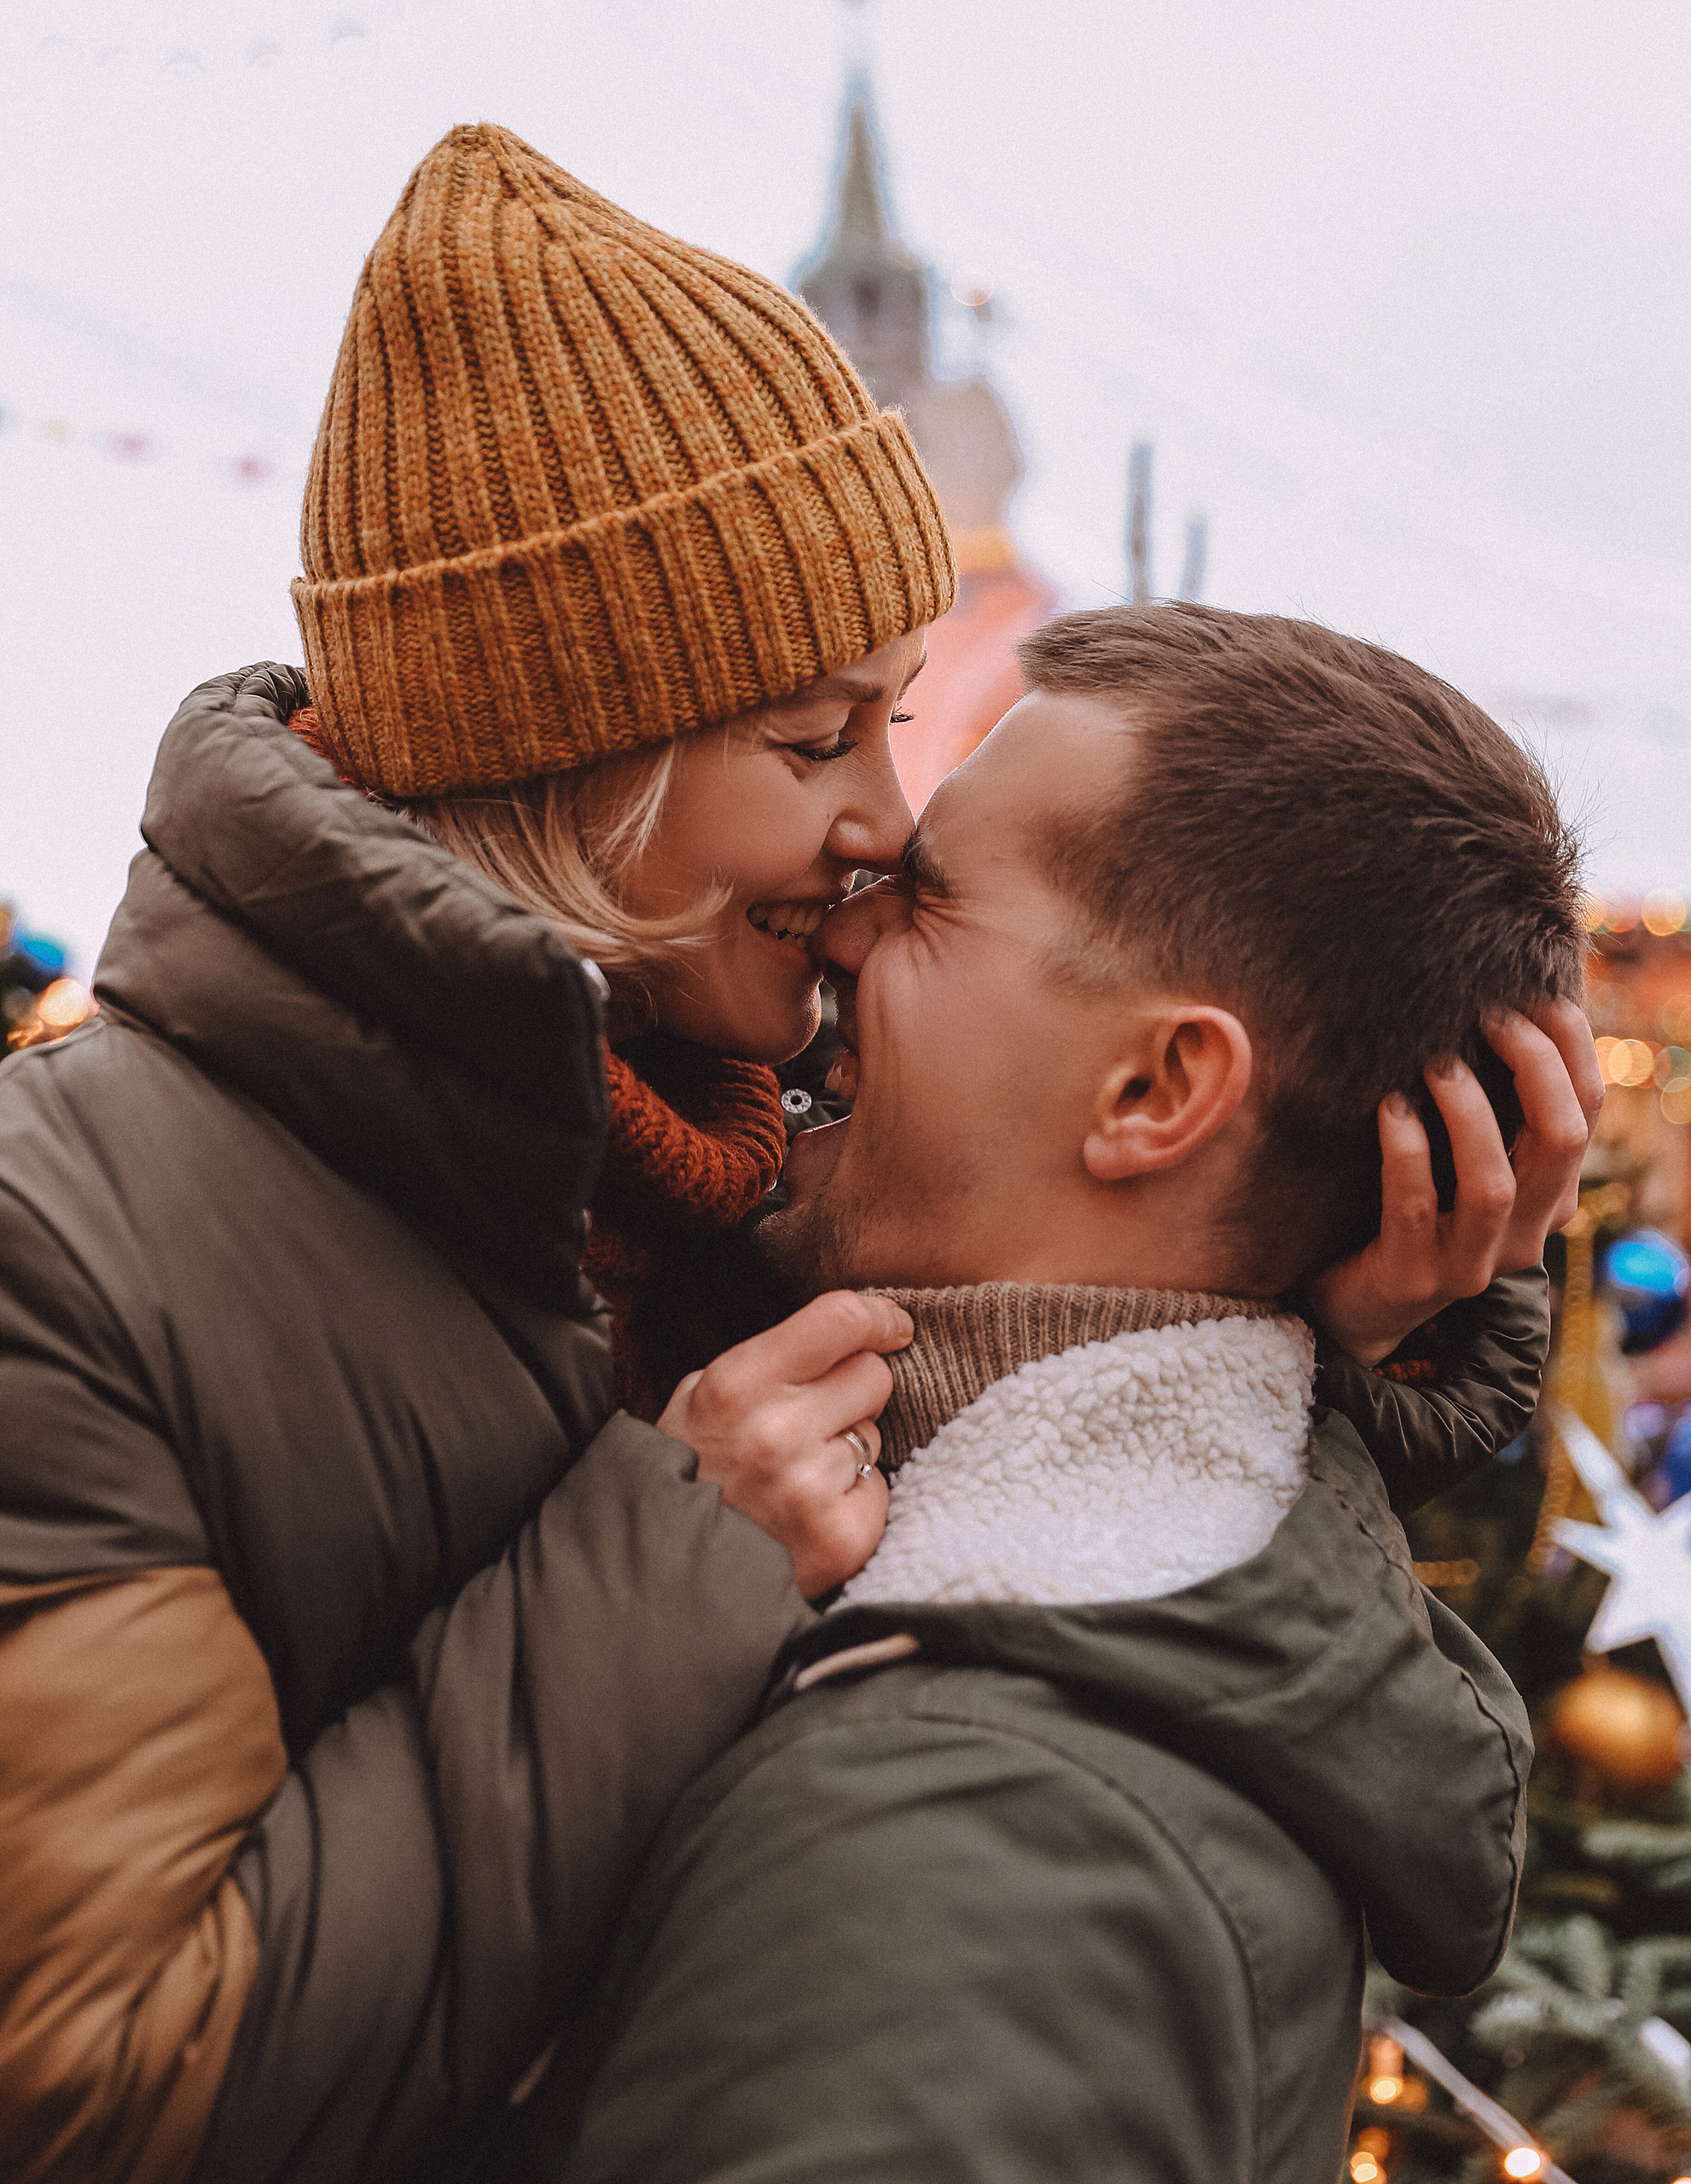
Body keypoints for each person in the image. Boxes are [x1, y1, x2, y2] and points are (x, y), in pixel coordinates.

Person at [0, 121, 944, 2184]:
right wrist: (678, 1559)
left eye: (895, 720)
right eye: (816, 737)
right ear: (559, 755)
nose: (889, 815)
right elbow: (103, 2082)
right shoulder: (52, 1243)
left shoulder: (749, 1161)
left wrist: (1388, 1290)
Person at [520, 604, 1602, 2184]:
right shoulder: (1097, 1596)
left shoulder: (962, 1829)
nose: (844, 924)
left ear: (1155, 1091)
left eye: (932, 897)